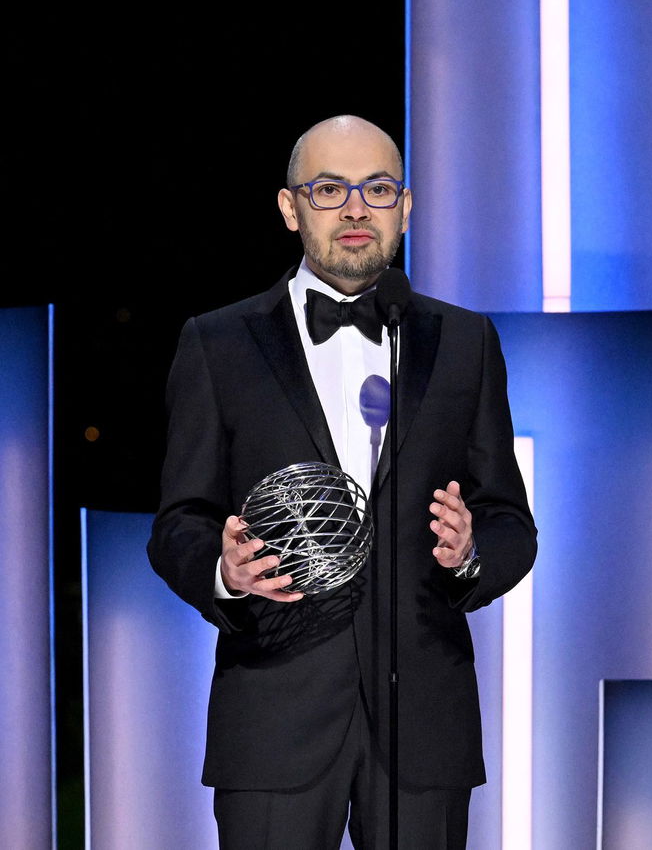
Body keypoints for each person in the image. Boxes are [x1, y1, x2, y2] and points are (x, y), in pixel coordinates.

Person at [148, 115, 536, 849]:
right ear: (291, 208)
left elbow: (511, 520)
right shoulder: (217, 343)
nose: (357, 209)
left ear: (407, 207)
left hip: (424, 726)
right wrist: (223, 570)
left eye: (378, 188)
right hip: (272, 722)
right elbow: (178, 522)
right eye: (330, 189)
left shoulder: (465, 342)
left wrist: (471, 550)